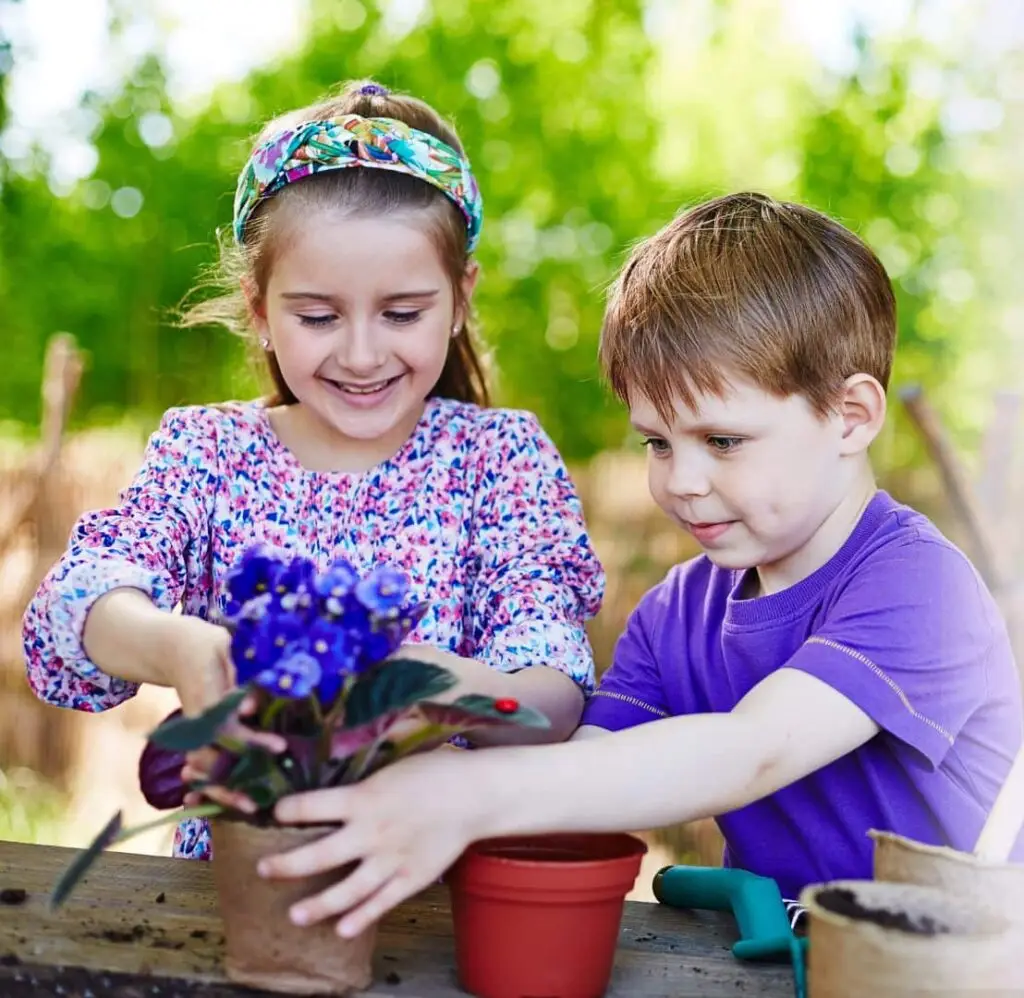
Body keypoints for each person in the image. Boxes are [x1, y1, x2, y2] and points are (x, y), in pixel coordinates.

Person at [252, 192, 1023, 941]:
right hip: (782, 958)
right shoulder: (675, 613)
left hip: (964, 965)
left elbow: (752, 750)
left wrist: (472, 791)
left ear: (850, 417)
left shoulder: (919, 586)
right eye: (657, 442)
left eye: (722, 441)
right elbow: (595, 775)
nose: (681, 480)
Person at [22, 80, 604, 861]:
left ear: (461, 297)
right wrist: (182, 650)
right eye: (318, 316)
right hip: (238, 899)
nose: (362, 355)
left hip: (439, 905)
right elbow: (81, 601)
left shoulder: (498, 461)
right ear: (259, 308)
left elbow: (552, 688)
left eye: (403, 313)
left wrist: (445, 694)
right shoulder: (209, 453)